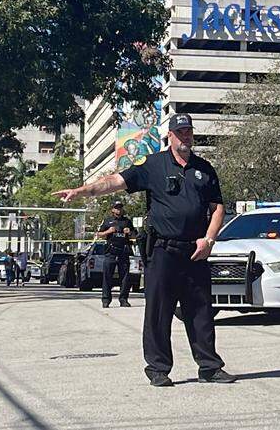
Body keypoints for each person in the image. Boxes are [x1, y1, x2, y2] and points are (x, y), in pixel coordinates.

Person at [54, 113, 235, 387]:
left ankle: (209, 367)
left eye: (188, 131)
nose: (185, 136)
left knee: (200, 311)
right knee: (158, 312)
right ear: (170, 136)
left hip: (195, 250)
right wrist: (82, 190)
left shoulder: (205, 169)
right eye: (180, 132)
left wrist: (208, 240)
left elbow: (217, 207)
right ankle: (158, 369)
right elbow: (115, 181)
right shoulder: (153, 165)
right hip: (163, 250)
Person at [96, 201, 135, 308]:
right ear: (113, 209)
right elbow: (98, 234)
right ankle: (106, 300)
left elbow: (135, 235)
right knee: (107, 277)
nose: (119, 210)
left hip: (123, 252)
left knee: (125, 278)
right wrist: (108, 231)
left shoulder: (127, 221)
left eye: (120, 208)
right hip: (111, 252)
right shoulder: (107, 221)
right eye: (116, 208)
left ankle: (123, 299)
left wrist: (129, 232)